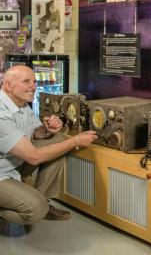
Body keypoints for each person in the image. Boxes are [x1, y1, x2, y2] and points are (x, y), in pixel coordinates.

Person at [0, 65, 97, 224]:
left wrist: (47, 130)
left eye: (34, 81)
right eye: (26, 81)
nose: (33, 86)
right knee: (35, 210)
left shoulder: (21, 103)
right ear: (8, 85)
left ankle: (41, 200)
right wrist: (76, 141)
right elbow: (33, 157)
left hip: (12, 165)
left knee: (58, 138)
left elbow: (34, 133)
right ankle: (34, 205)